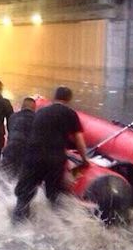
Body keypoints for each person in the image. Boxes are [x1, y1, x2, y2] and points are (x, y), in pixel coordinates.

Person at [13, 86, 89, 221]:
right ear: (69, 99)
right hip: (54, 158)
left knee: (24, 194)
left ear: (55, 97)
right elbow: (79, 139)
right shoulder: (70, 113)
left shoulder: (41, 111)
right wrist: (84, 159)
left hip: (33, 156)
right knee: (54, 196)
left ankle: (19, 224)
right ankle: (57, 227)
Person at [0, 97, 36, 179]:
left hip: (10, 148)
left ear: (22, 106)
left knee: (3, 177)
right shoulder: (37, 118)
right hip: (26, 151)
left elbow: (10, 131)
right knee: (22, 179)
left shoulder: (13, 117)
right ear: (34, 108)